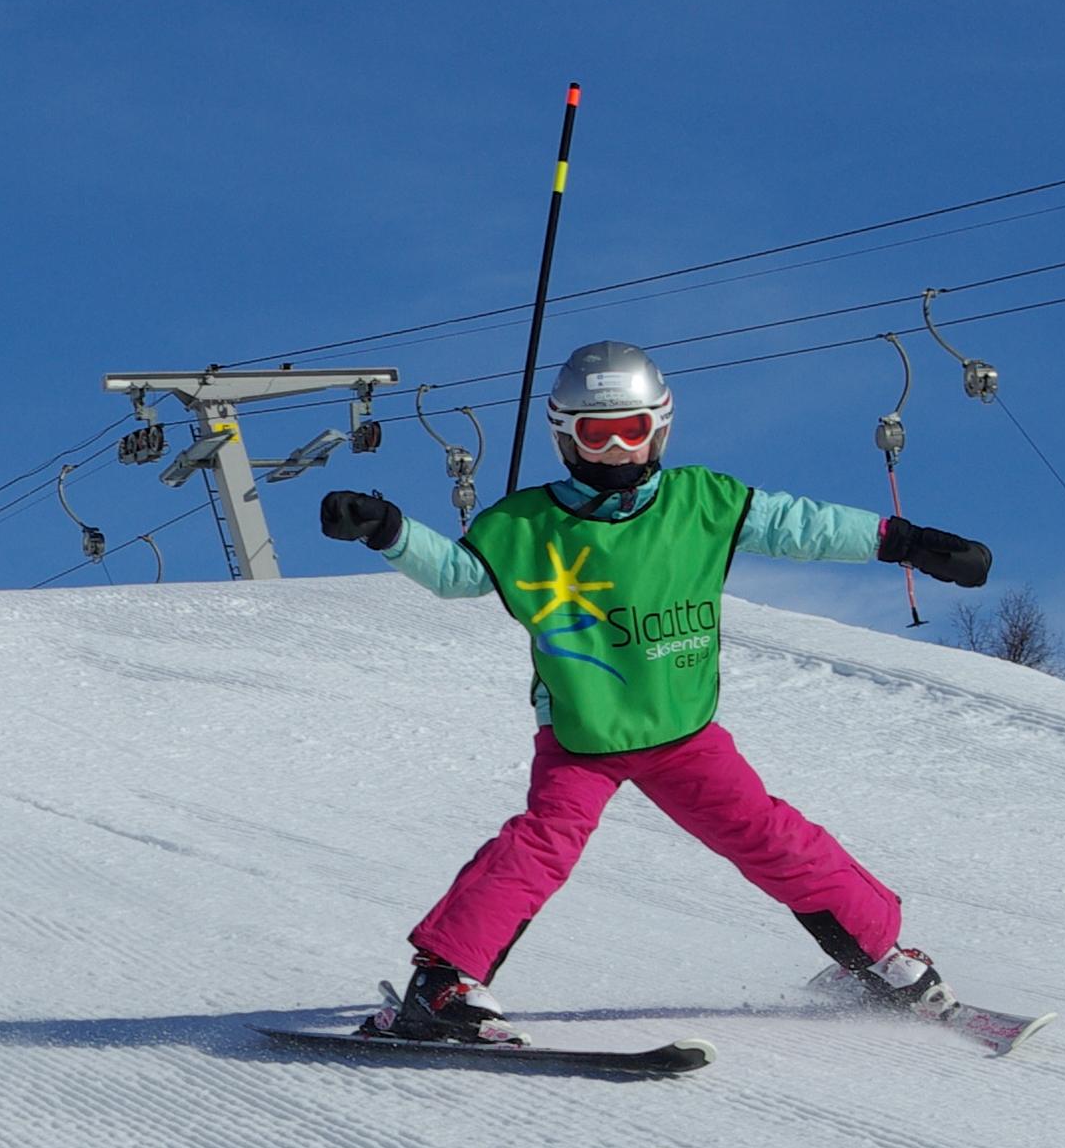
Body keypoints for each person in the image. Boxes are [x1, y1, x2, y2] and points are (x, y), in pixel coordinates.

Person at [317, 339, 994, 1044]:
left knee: (774, 837)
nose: (615, 449)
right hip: (585, 734)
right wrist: (389, 530)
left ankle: (881, 961)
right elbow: (459, 574)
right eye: (595, 433)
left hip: (684, 732)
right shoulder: (525, 524)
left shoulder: (702, 502)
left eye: (631, 430)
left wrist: (906, 542)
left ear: (660, 429)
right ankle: (443, 983)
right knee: (541, 845)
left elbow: (803, 525)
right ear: (564, 436)